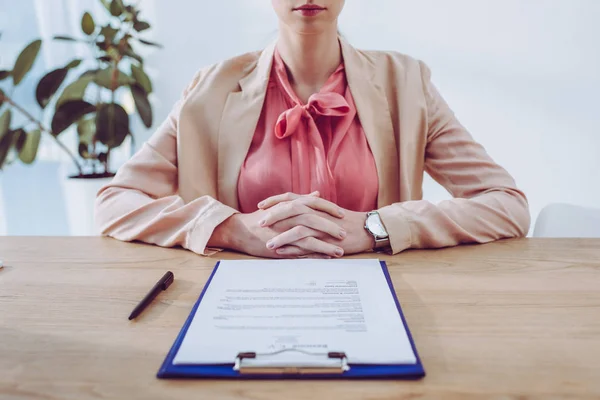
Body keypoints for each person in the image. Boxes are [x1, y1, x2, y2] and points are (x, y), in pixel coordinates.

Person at [94, 0, 530, 259]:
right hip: (241, 303)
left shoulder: (406, 83)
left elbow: (507, 206)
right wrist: (227, 228)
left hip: (384, 300)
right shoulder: (210, 90)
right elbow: (113, 203)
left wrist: (381, 226)